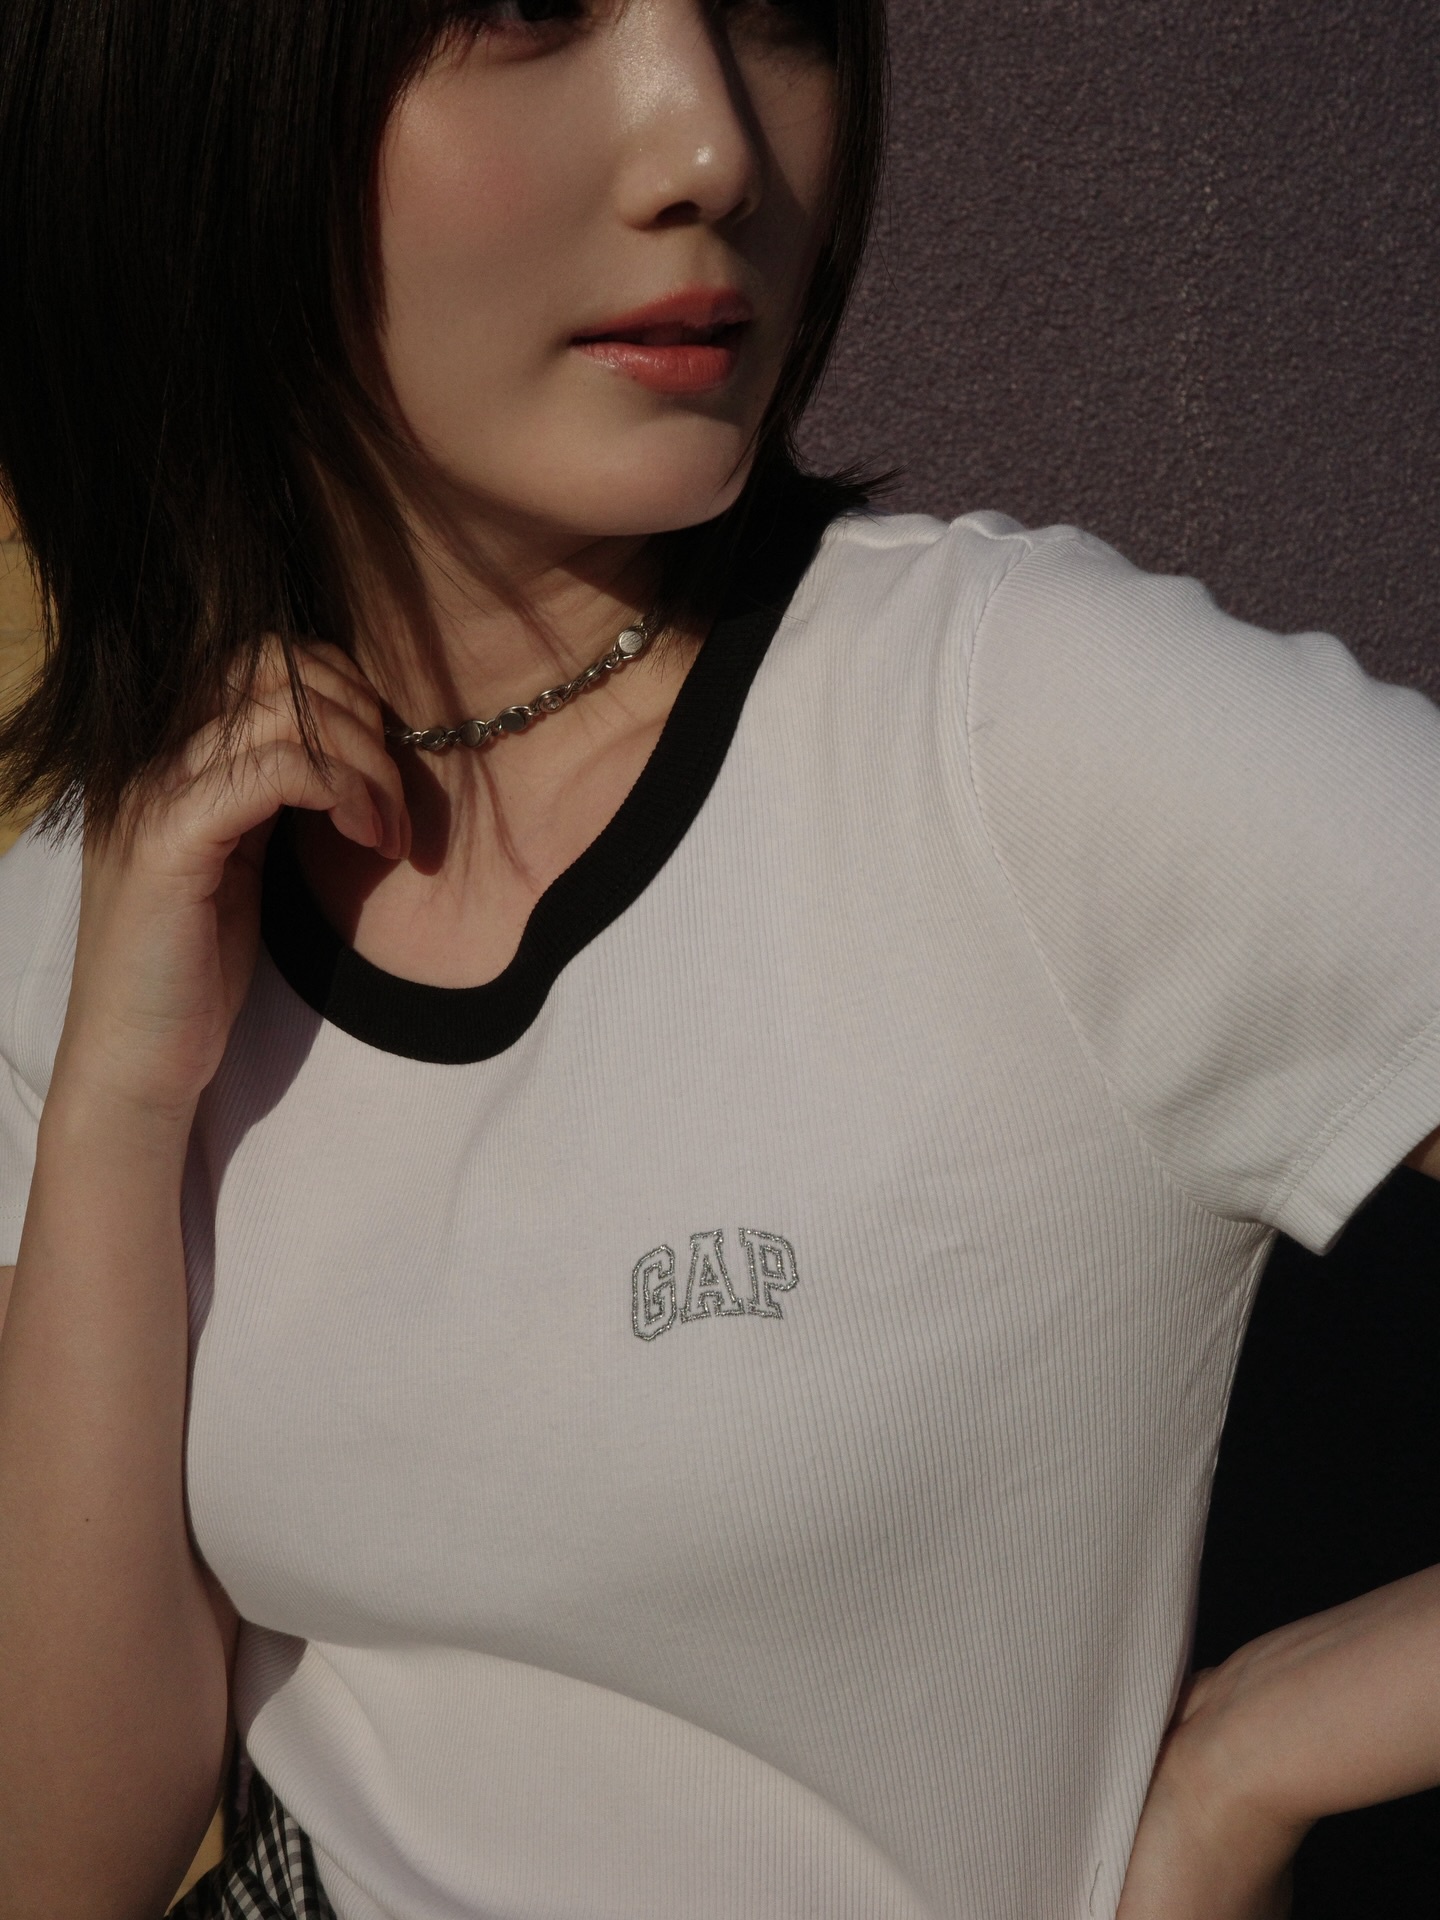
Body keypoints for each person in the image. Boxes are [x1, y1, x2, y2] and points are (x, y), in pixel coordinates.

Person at [0, 3, 1437, 1918]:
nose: (714, 150)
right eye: (533, 9)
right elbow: (57, 1865)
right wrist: (113, 1108)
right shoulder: (126, 885)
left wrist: (1271, 1751)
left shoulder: (1009, 739)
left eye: (774, 11)